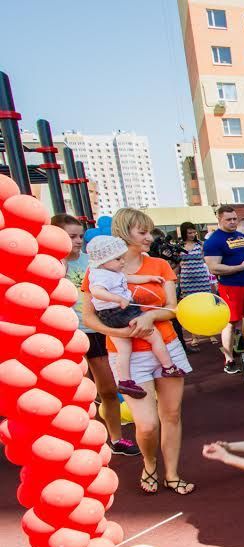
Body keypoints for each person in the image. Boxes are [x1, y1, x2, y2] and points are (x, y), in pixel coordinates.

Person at [82, 208, 194, 496]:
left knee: (171, 415)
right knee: (146, 425)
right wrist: (121, 333)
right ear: (123, 234)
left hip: (166, 346)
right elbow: (90, 318)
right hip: (127, 356)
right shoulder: (96, 270)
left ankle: (171, 472)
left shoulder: (159, 265)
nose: (149, 237)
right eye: (142, 232)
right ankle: (149, 462)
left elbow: (172, 308)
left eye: (149, 231)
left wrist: (148, 319)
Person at [56, 214, 135, 456]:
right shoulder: (48, 264)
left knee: (108, 389)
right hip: (64, 336)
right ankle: (77, 441)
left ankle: (116, 438)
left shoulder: (93, 262)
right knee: (74, 394)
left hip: (95, 331)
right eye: (72, 236)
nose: (78, 240)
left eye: (80, 235)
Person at [84, 236, 186, 398]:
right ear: (103, 261)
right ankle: (168, 366)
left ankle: (125, 381)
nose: (122, 262)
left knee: (124, 349)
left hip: (110, 315)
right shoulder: (101, 276)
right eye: (118, 259)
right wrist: (117, 299)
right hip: (119, 312)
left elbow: (129, 278)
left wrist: (149, 278)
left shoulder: (112, 271)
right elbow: (97, 292)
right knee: (154, 336)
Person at [203, 204, 244, 374]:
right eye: (229, 219)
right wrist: (239, 268)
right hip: (230, 286)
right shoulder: (214, 241)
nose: (233, 222)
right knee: (231, 321)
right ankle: (229, 359)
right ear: (219, 219)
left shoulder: (242, 237)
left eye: (235, 219)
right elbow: (214, 268)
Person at [176, 221, 214, 351]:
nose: (192, 235)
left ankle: (210, 333)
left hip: (202, 279)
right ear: (184, 233)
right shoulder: (179, 246)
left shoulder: (201, 245)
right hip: (187, 280)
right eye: (189, 233)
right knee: (191, 308)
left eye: (193, 232)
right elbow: (176, 264)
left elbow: (208, 260)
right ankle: (194, 336)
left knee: (206, 306)